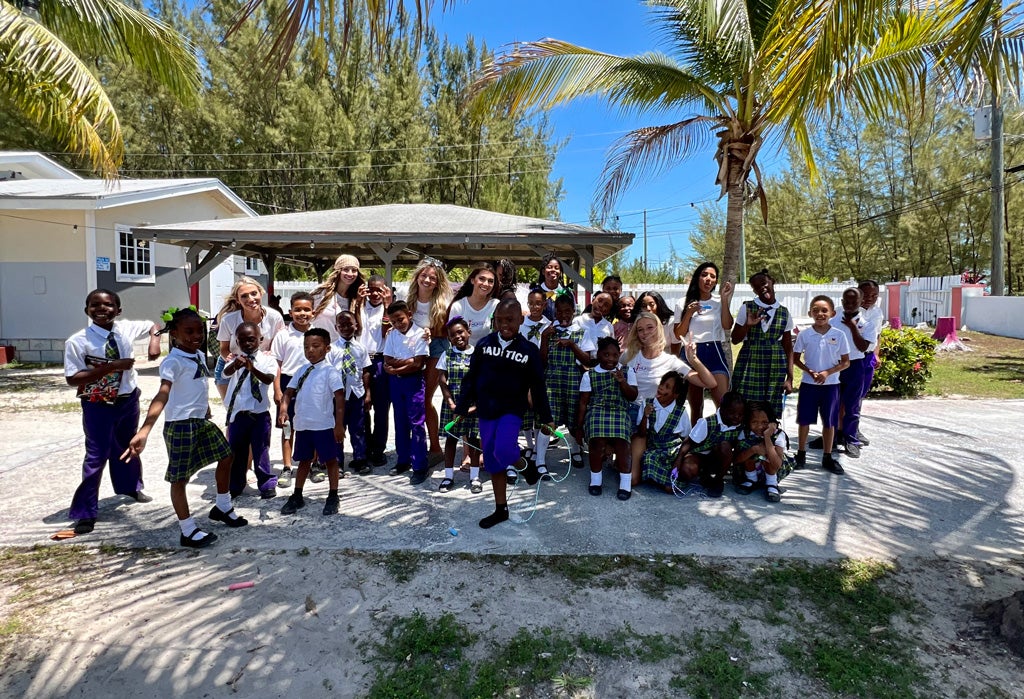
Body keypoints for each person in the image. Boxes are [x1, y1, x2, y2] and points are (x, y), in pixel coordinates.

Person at [122, 307, 247, 549]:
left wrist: (205, 409)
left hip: (200, 421)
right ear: (175, 334)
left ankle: (222, 506)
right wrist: (144, 430)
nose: (196, 336)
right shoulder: (173, 362)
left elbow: (197, 386)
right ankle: (187, 530)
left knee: (227, 456)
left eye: (199, 330)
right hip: (180, 426)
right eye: (188, 331)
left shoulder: (198, 355)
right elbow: (163, 394)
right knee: (180, 479)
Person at [63, 289, 161, 535]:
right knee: (96, 455)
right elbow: (73, 379)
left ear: (118, 310)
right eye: (95, 305)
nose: (101, 309)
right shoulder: (78, 341)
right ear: (87, 310)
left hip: (127, 399)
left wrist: (155, 341)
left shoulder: (125, 330)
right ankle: (85, 512)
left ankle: (130, 486)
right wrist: (111, 367)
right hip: (98, 404)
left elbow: (153, 325)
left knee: (127, 445)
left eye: (108, 305)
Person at [453, 298, 556, 529]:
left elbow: (538, 386)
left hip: (511, 410)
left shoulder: (528, 351)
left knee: (504, 448)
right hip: (486, 410)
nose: (504, 325)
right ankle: (501, 509)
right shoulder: (484, 345)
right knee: (492, 460)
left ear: (521, 320)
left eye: (510, 320)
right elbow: (471, 379)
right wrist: (461, 407)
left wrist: (546, 418)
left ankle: (525, 467)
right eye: (499, 320)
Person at [277, 328, 346, 516]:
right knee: (304, 460)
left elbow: (340, 398)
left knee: (330, 460)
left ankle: (333, 495)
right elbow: (288, 392)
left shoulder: (330, 372)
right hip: (303, 425)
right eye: (306, 347)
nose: (310, 351)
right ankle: (297, 495)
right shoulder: (301, 370)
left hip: (324, 425)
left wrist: (339, 425)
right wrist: (284, 410)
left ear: (327, 348)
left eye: (316, 346)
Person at [535, 292, 594, 475]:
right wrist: (544, 338)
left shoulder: (581, 332)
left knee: (574, 418)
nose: (563, 315)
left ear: (574, 312)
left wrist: (572, 345)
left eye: (567, 311)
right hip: (552, 381)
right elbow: (542, 361)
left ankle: (575, 451)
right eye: (559, 312)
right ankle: (540, 460)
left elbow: (589, 361)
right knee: (548, 420)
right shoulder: (547, 332)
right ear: (555, 313)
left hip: (573, 381)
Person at [793, 295, 850, 475]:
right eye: (815, 310)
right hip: (809, 385)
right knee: (804, 420)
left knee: (829, 422)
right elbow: (795, 358)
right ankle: (800, 455)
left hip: (831, 385)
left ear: (832, 313)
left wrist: (827, 373)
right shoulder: (804, 334)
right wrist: (810, 371)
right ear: (810, 313)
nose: (820, 314)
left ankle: (827, 457)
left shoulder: (839, 335)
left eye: (824, 310)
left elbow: (846, 362)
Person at [577, 337, 639, 500]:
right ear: (598, 354)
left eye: (614, 355)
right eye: (606, 355)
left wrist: (622, 382)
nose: (611, 359)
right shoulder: (589, 375)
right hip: (597, 411)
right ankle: (596, 481)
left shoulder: (627, 371)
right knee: (596, 440)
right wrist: (579, 426)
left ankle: (625, 484)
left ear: (619, 355)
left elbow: (632, 396)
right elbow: (584, 402)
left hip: (619, 411)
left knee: (622, 441)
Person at [406, 258, 453, 467]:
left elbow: (446, 332)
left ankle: (435, 447)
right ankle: (419, 444)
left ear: (438, 282)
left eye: (432, 278)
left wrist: (430, 332)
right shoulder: (408, 301)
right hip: (412, 349)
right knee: (415, 399)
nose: (427, 280)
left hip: (435, 349)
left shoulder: (443, 304)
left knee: (425, 398)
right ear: (417, 277)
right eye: (424, 276)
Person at [223, 322, 278, 499]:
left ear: (260, 340)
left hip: (259, 414)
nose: (247, 344)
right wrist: (235, 365)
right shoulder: (234, 360)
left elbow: (269, 379)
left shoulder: (267, 360)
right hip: (239, 414)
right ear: (237, 342)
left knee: (261, 449)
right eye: (242, 341)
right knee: (237, 451)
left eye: (252, 340)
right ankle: (236, 484)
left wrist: (251, 368)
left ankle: (266, 483)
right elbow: (225, 373)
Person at [730, 269, 794, 421]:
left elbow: (788, 346)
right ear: (754, 290)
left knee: (770, 403)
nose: (762, 288)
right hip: (750, 361)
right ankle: (744, 437)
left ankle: (768, 438)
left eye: (764, 283)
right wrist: (747, 325)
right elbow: (735, 339)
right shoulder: (747, 307)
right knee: (746, 401)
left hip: (775, 363)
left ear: (772, 282)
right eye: (757, 287)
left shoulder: (784, 312)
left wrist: (790, 377)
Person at [674, 262, 734, 422]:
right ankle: (696, 441)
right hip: (691, 353)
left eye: (712, 276)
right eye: (704, 275)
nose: (708, 279)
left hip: (714, 351)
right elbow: (678, 333)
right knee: (696, 405)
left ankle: (723, 440)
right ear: (697, 277)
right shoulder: (682, 302)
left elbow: (727, 325)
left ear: (715, 282)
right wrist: (689, 313)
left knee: (722, 403)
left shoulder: (719, 301)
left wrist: (724, 299)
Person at [382, 300, 430, 483]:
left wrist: (397, 368)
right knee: (400, 421)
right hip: (396, 384)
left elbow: (418, 364)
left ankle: (420, 465)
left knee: (416, 423)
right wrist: (407, 362)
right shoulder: (393, 334)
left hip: (414, 383)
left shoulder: (420, 334)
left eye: (400, 319)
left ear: (409, 315)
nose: (397, 324)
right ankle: (403, 460)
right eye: (393, 321)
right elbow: (387, 358)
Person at [271, 291, 315, 488]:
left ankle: (313, 463)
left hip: (313, 383)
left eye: (307, 309)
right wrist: (277, 390)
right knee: (288, 427)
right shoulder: (283, 335)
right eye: (298, 310)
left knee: (312, 425)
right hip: (289, 383)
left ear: (313, 313)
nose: (302, 313)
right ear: (290, 311)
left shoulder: (318, 334)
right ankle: (287, 467)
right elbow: (277, 364)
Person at [215, 277, 285, 400]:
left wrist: (270, 354)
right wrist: (231, 358)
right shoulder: (228, 320)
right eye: (244, 296)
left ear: (261, 293)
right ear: (237, 300)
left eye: (254, 294)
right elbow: (223, 349)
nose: (250, 299)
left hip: (258, 365)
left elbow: (278, 347)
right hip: (231, 365)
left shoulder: (275, 317)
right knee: (232, 408)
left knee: (255, 406)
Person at [437, 317, 482, 493]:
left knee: (474, 440)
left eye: (460, 332)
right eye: (453, 335)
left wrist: (474, 407)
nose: (458, 337)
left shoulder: (478, 355)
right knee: (451, 440)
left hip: (474, 405)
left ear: (468, 332)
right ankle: (448, 476)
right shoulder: (447, 355)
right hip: (453, 404)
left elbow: (483, 382)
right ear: (449, 338)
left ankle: (475, 477)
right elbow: (442, 379)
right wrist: (450, 402)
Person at [673, 391, 746, 498]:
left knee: (725, 446)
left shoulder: (740, 427)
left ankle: (717, 480)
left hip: (717, 458)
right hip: (699, 456)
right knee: (687, 470)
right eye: (732, 413)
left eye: (740, 414)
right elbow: (688, 443)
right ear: (722, 409)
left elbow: (739, 447)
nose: (736, 417)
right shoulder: (707, 423)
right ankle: (704, 476)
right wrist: (678, 461)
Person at [831, 287, 875, 458]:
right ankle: (832, 437)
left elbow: (863, 347)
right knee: (832, 404)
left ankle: (851, 440)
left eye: (854, 302)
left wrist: (853, 328)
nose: (849, 305)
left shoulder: (866, 324)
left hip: (855, 365)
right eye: (846, 302)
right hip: (835, 366)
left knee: (852, 405)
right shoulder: (834, 320)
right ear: (842, 302)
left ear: (860, 302)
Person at [329, 310, 372, 476]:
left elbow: (366, 371)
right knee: (337, 428)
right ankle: (337, 462)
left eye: (349, 324)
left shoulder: (361, 348)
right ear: (336, 327)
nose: (346, 328)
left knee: (358, 428)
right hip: (337, 396)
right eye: (342, 325)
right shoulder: (331, 349)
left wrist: (367, 394)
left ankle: (360, 459)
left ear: (356, 326)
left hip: (356, 393)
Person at [632, 371, 690, 491]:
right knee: (649, 457)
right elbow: (641, 433)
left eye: (667, 387)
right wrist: (645, 416)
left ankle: (668, 480)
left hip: (671, 451)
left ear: (676, 394)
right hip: (653, 448)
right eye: (662, 384)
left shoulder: (680, 412)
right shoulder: (647, 403)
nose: (661, 388)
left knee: (659, 465)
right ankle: (662, 480)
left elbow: (686, 438)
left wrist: (679, 458)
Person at [733, 401, 795, 503]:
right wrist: (754, 449)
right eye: (754, 422)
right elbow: (736, 460)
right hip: (750, 469)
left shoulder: (778, 435)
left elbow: (777, 464)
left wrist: (767, 436)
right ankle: (751, 479)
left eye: (764, 422)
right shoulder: (745, 433)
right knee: (748, 452)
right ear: (748, 421)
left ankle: (771, 483)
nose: (759, 426)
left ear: (771, 422)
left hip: (773, 469)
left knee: (768, 456)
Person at [361, 274, 392, 467]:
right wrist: (357, 302)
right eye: (371, 289)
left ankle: (378, 448)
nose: (374, 293)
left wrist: (388, 305)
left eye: (379, 289)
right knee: (362, 407)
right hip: (361, 361)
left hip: (380, 359)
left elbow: (384, 332)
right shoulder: (360, 308)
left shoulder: (388, 309)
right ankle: (364, 447)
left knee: (381, 409)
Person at [518, 288, 552, 467]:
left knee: (538, 412)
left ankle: (539, 450)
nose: (535, 306)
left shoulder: (548, 324)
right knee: (525, 413)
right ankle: (530, 446)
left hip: (541, 372)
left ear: (544, 304)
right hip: (522, 372)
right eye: (531, 303)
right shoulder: (521, 324)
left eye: (538, 303)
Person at [311, 254, 365, 341]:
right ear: (338, 271)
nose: (350, 273)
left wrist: (357, 305)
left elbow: (358, 331)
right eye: (346, 269)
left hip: (342, 349)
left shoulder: (356, 297)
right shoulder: (321, 292)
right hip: (319, 346)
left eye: (354, 270)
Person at [447, 262, 499, 345]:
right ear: (472, 280)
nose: (486, 284)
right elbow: (452, 335)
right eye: (481, 279)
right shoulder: (458, 306)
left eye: (490, 281)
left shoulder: (496, 305)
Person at [635, 290, 678, 355]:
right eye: (644, 306)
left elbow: (676, 348)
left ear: (658, 304)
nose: (648, 308)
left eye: (651, 305)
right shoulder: (639, 323)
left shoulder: (670, 322)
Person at [532, 253, 573, 321]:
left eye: (556, 268)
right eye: (549, 267)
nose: (553, 270)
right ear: (543, 271)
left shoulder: (568, 293)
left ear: (560, 272)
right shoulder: (535, 292)